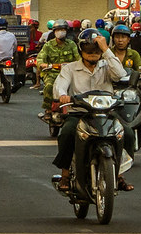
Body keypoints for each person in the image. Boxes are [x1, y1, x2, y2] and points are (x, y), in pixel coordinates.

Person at [52, 29, 134, 192]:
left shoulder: (107, 65)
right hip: (80, 113)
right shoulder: (70, 68)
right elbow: (59, 86)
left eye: (96, 50)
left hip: (106, 113)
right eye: (89, 51)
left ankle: (118, 174)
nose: (93, 54)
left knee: (128, 134)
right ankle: (66, 174)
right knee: (67, 133)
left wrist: (106, 50)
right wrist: (63, 96)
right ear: (81, 50)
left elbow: (121, 75)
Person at [36, 20, 80, 121]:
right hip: (52, 73)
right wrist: (43, 64)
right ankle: (48, 110)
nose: (61, 32)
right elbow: (40, 59)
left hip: (69, 73)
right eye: (58, 30)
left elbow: (79, 59)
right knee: (49, 86)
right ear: (54, 32)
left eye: (63, 30)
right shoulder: (48, 45)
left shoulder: (72, 44)